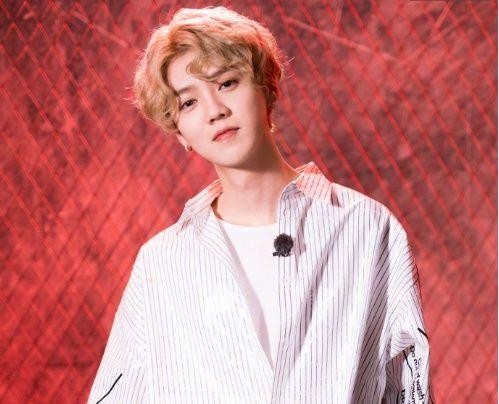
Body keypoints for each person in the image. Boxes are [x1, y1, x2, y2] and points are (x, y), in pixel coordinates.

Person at [88, 6, 434, 403]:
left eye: (227, 83)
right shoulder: (163, 262)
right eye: (188, 103)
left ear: (266, 88)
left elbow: (409, 385)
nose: (215, 111)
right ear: (179, 131)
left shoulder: (366, 228)